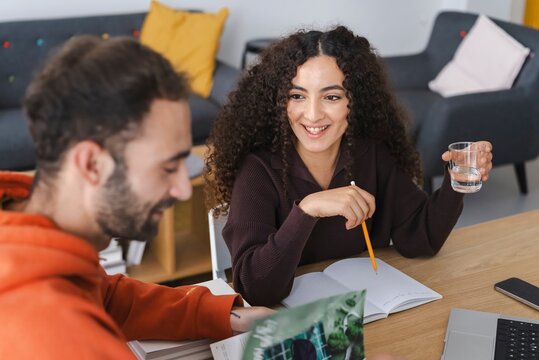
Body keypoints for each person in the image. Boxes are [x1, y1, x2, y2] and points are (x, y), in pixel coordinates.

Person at [0, 36, 272, 359]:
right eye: (167, 167)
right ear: (91, 164)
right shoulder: (56, 335)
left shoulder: (31, 233)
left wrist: (224, 316)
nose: (184, 190)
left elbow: (108, 297)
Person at [205, 26, 493, 307]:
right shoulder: (257, 170)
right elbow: (255, 289)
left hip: (375, 316)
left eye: (331, 97)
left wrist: (456, 182)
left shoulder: (372, 154)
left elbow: (421, 240)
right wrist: (307, 210)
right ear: (279, 102)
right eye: (297, 96)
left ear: (355, 102)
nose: (313, 114)